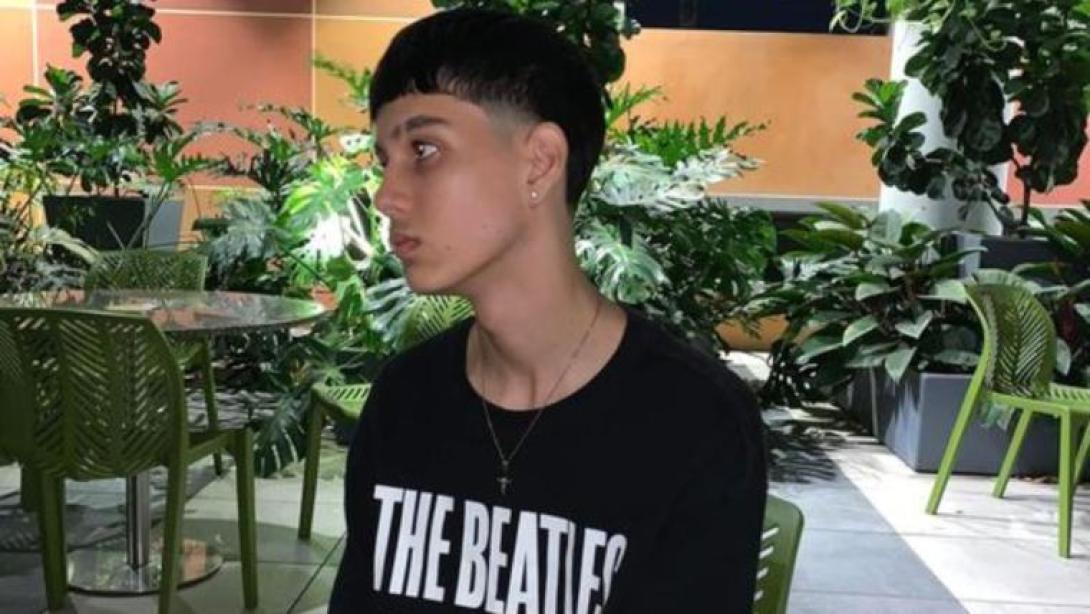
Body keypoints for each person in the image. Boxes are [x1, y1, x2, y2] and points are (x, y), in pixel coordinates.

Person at [330, 8, 767, 613]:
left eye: (424, 150)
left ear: (538, 162)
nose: (386, 196)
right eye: (386, 161)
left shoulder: (694, 422)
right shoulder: (405, 400)